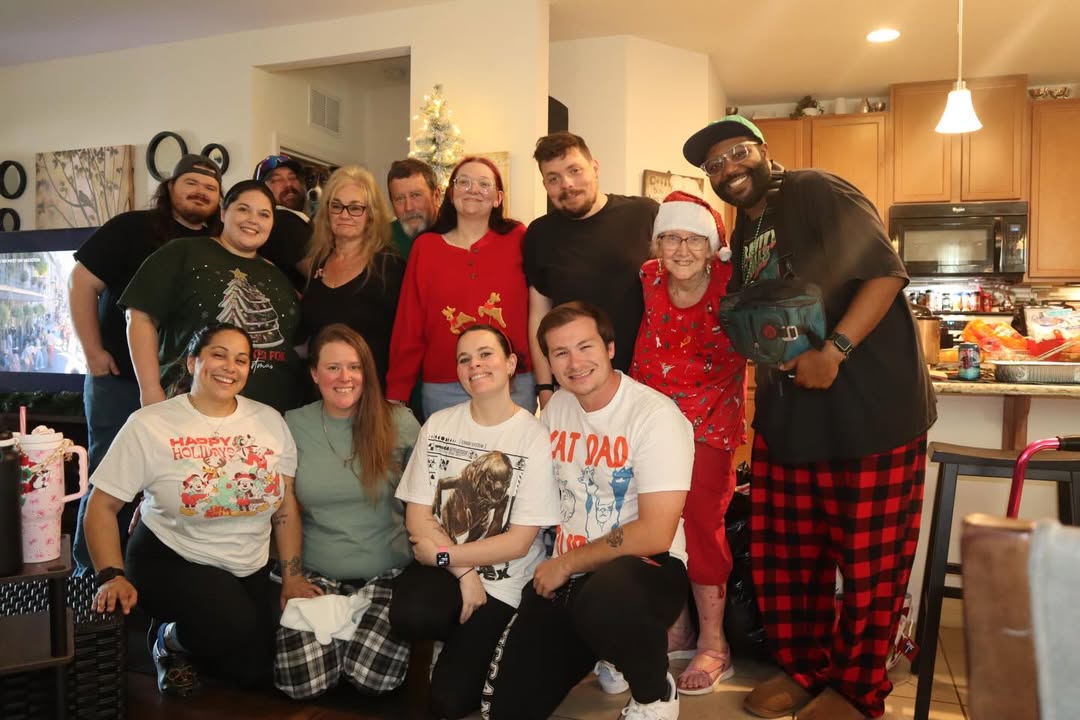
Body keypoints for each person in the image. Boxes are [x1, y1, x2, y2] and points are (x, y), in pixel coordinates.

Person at [681, 115, 936, 720]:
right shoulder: (746, 227)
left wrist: (837, 350)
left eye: (737, 153)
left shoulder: (816, 189)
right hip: (791, 419)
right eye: (714, 164)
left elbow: (885, 272)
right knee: (788, 558)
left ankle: (856, 690)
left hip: (869, 413)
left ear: (764, 151)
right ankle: (804, 669)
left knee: (870, 565)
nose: (727, 168)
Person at [483, 302, 694, 720]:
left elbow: (655, 532)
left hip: (646, 570)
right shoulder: (557, 408)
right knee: (506, 710)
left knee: (607, 599)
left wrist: (564, 564)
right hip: (571, 578)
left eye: (585, 347)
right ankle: (607, 649)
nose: (575, 363)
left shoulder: (655, 416)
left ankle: (654, 692)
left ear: (610, 348)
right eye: (560, 353)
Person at [84, 323, 313, 695]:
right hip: (170, 557)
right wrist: (111, 575)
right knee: (231, 625)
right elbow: (100, 505)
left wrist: (292, 576)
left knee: (254, 671)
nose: (230, 367)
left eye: (241, 360)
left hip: (246, 565)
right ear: (193, 362)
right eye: (218, 355)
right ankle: (167, 640)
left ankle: (197, 640)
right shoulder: (151, 424)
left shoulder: (270, 421)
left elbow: (284, 505)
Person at [389, 324, 559, 720]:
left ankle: (489, 641)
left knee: (449, 703)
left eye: (485, 355)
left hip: (504, 583)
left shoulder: (534, 436)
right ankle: (456, 635)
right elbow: (417, 516)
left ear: (511, 364)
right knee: (410, 615)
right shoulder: (439, 424)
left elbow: (518, 543)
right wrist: (462, 572)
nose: (474, 365)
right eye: (464, 359)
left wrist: (444, 556)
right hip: (448, 569)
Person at [68, 153, 222, 574]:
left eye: (210, 188)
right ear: (170, 188)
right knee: (110, 476)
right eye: (191, 183)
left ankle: (149, 578)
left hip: (185, 389)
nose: (200, 192)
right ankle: (91, 575)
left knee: (173, 483)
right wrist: (93, 352)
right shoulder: (131, 228)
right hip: (119, 380)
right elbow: (81, 282)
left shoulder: (218, 243)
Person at [630, 191, 745, 696]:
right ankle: (678, 629)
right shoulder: (647, 278)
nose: (681, 250)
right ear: (657, 244)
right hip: (652, 427)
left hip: (711, 427)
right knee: (657, 524)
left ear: (712, 245)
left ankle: (715, 642)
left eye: (694, 239)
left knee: (701, 526)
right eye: (671, 238)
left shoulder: (730, 282)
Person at [274, 323, 420, 698]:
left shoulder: (399, 422)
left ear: (366, 372)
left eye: (354, 367)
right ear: (314, 373)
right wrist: (291, 577)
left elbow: (427, 499)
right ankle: (346, 631)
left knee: (373, 678)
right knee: (303, 684)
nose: (345, 377)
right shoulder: (292, 425)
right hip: (317, 573)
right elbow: (284, 506)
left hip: (387, 573)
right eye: (333, 367)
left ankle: (351, 632)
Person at [122, 180, 302, 413]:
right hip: (189, 408)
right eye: (243, 209)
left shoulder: (277, 274)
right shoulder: (183, 252)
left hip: (267, 416)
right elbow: (140, 316)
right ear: (223, 213)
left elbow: (295, 342)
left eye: (264, 214)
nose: (253, 220)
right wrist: (149, 390)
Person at [387, 157, 535, 417]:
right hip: (445, 386)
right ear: (451, 193)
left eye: (484, 184)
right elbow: (409, 324)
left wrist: (546, 383)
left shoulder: (519, 239)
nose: (473, 189)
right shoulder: (426, 248)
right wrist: (397, 392)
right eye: (463, 182)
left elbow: (540, 308)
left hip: (512, 381)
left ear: (498, 198)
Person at [524, 132, 659, 409]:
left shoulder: (644, 214)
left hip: (647, 382)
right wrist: (545, 387)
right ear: (545, 185)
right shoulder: (539, 233)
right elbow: (539, 315)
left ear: (594, 167)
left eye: (574, 170)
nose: (567, 184)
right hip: (575, 385)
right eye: (553, 178)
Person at [299, 166, 405, 390]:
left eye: (355, 208)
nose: (344, 215)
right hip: (321, 393)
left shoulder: (389, 267)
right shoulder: (319, 263)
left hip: (371, 394)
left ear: (371, 215)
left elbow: (406, 340)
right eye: (337, 206)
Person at [253, 153, 312, 289]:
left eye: (292, 178)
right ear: (261, 190)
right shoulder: (284, 221)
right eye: (276, 180)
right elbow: (320, 275)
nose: (288, 184)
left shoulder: (296, 218)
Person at [386, 158, 442, 260]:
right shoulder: (384, 239)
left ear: (436, 196)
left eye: (416, 195)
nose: (409, 207)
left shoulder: (457, 233)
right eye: (399, 199)